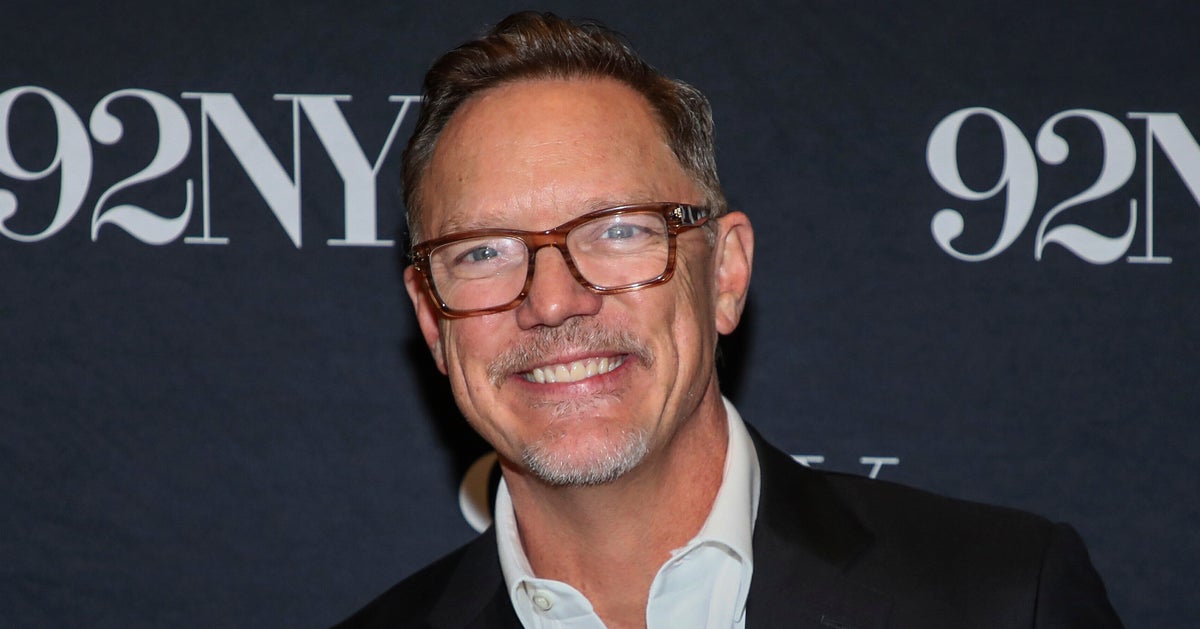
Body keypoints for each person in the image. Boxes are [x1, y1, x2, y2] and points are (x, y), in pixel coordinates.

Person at [336, 11, 1122, 629]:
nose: (552, 301)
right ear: (432, 320)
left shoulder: (1003, 598)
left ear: (725, 272)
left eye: (618, 230)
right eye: (483, 252)